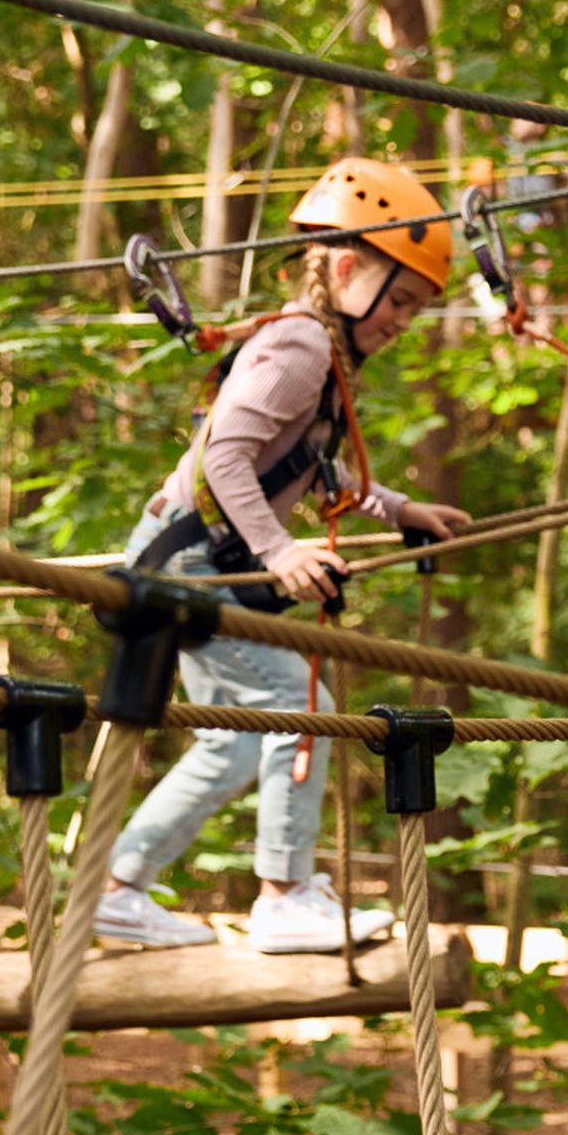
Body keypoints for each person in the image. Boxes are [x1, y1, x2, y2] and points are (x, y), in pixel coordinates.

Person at [96, 161, 474, 957]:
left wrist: (399, 510)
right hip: (196, 559)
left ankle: (119, 887)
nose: (404, 320)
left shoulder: (321, 355)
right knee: (302, 710)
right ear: (345, 269)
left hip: (189, 554)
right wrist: (277, 548)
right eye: (399, 299)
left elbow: (301, 466)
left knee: (231, 739)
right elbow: (226, 455)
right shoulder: (303, 342)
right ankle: (284, 894)